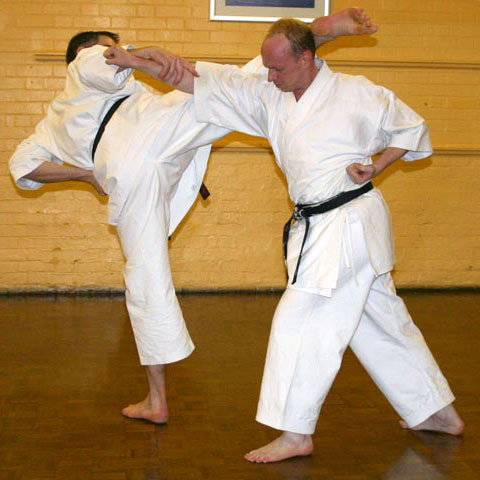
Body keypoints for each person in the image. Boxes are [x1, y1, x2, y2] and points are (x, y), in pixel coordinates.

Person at [104, 13, 464, 463]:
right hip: (327, 227)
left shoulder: (356, 93)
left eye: (277, 68)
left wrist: (378, 164)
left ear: (307, 58)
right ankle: (436, 412)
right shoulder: (270, 99)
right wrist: (140, 62)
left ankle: (295, 433)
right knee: (381, 325)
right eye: (266, 68)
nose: (269, 76)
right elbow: (196, 81)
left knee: (301, 321)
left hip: (347, 224)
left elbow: (411, 129)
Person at [9, 10, 374, 426]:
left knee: (146, 275)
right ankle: (313, 36)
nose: (113, 51)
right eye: (105, 44)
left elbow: (22, 167)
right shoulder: (84, 64)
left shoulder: (51, 125)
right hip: (147, 134)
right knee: (224, 90)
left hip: (133, 161)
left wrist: (84, 172)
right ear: (79, 54)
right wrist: (130, 53)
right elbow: (105, 57)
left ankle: (156, 399)